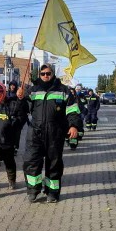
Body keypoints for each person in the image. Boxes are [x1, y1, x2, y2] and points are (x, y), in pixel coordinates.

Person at [17, 65, 82, 203]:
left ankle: (52, 192)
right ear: (39, 74)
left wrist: (73, 126)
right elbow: (21, 110)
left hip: (55, 133)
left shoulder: (64, 91)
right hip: (35, 133)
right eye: (43, 73)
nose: (45, 76)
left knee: (54, 163)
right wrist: (20, 97)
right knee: (31, 162)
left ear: (53, 74)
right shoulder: (32, 90)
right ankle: (33, 191)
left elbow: (73, 110)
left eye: (48, 73)